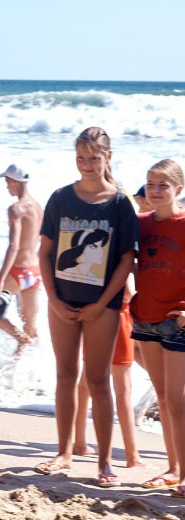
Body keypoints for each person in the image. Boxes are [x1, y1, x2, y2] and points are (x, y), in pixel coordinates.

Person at [35, 127, 138, 488]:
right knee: (64, 375)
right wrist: (52, 298)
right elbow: (44, 253)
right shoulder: (61, 198)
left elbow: (127, 259)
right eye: (81, 158)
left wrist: (102, 304)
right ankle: (63, 452)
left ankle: (105, 461)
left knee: (98, 379)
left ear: (108, 157)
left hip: (103, 306)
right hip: (61, 300)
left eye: (94, 158)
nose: (87, 165)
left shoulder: (120, 203)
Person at [129, 159, 185, 499]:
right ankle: (173, 468)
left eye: (163, 184)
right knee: (163, 399)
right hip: (145, 319)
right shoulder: (141, 223)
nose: (155, 190)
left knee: (177, 401)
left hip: (176, 321)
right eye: (151, 184)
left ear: (179, 188)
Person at [73, 274, 144, 468]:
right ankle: (132, 456)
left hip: (93, 315)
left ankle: (79, 442)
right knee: (123, 390)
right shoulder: (124, 247)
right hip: (118, 316)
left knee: (86, 381)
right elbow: (127, 293)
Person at [0, 164, 43, 354]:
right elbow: (41, 239)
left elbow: (13, 246)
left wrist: (0, 280)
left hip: (19, 271)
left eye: (7, 182)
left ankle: (22, 340)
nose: (7, 187)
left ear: (14, 181)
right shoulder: (38, 207)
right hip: (35, 271)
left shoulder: (16, 209)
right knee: (31, 326)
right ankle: (21, 377)